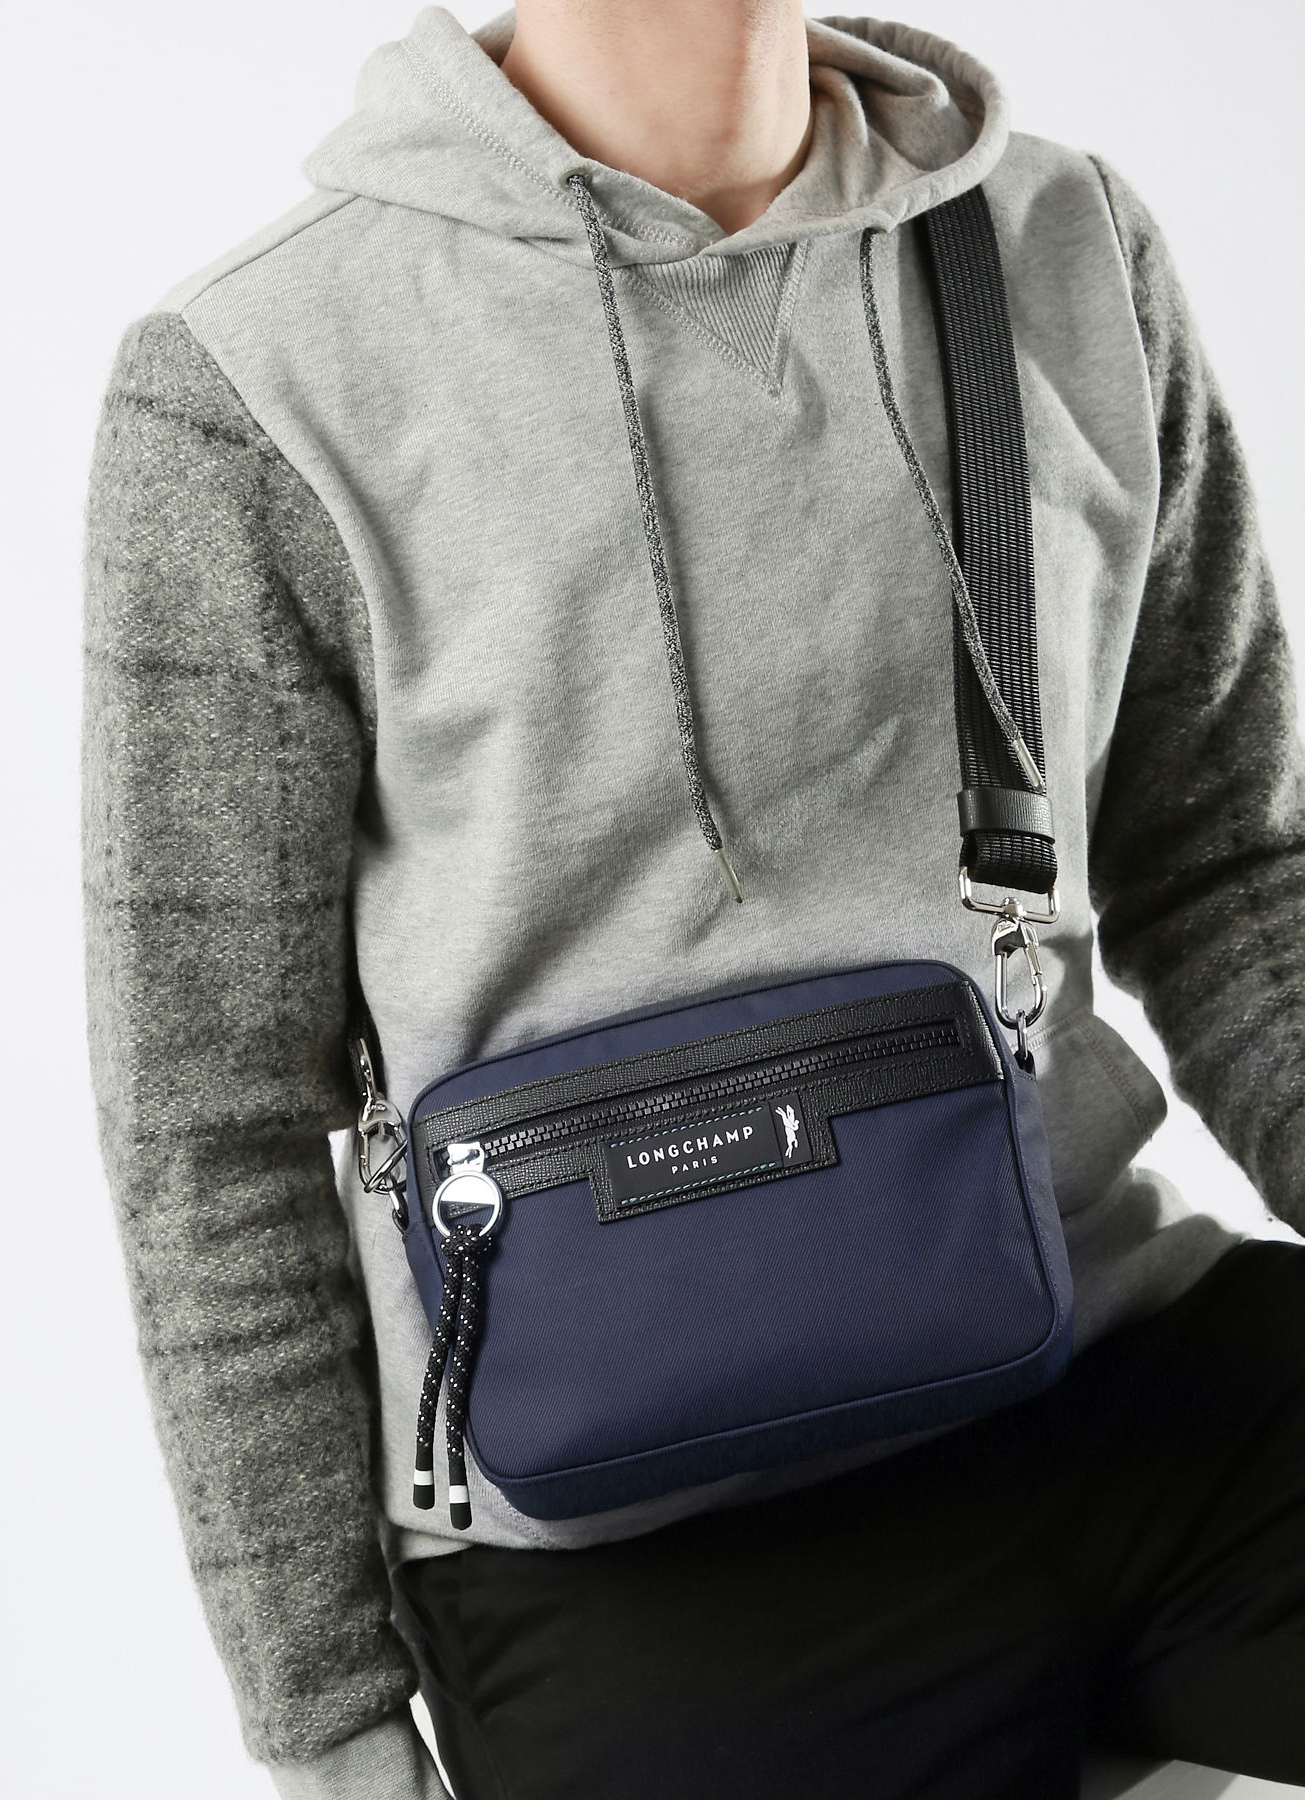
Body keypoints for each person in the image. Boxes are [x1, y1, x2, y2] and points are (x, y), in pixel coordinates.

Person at [80, 4, 1305, 1797]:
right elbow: (209, 1118)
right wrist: (322, 1712)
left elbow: (1227, 860)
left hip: (1112, 1352)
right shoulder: (258, 380)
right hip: (620, 1531)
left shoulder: (1059, 243)